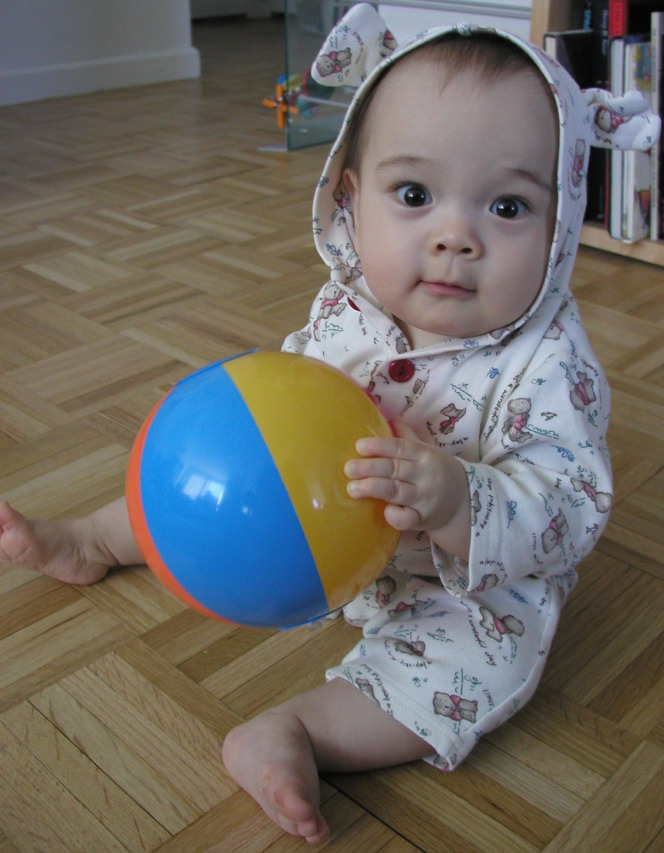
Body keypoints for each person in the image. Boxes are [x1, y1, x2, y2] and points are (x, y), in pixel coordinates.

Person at [0, 4, 659, 844]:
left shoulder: (550, 366)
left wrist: (461, 500)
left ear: (562, 223)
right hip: (310, 524)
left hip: (459, 584)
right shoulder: (351, 305)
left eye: (507, 208)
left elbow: (569, 505)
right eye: (415, 194)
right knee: (204, 485)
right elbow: (294, 390)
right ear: (351, 198)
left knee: (482, 665)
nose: (456, 237)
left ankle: (299, 730)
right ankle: (94, 537)